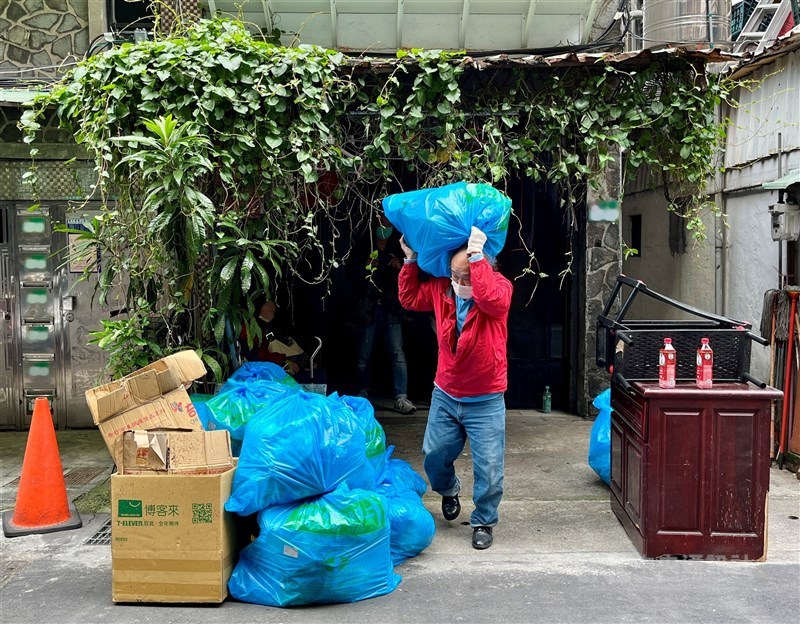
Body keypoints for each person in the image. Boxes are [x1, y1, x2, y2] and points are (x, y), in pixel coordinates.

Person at [398, 226, 511, 550]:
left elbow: (489, 298)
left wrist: (476, 258)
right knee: (434, 456)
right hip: (446, 392)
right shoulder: (441, 290)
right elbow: (409, 298)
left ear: (485, 268)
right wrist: (410, 261)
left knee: (489, 468)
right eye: (454, 275)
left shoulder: (500, 289)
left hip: (486, 397)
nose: (460, 283)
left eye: (467, 276)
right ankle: (448, 489)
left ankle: (484, 521)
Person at [352, 214, 417, 414]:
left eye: (388, 222)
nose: (384, 226)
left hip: (392, 309)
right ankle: (362, 394)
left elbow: (410, 276)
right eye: (380, 221)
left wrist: (399, 266)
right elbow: (352, 275)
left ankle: (401, 397)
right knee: (363, 355)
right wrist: (372, 264)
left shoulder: (399, 246)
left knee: (397, 353)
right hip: (369, 308)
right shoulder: (364, 245)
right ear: (373, 222)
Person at [239, 294, 310, 377]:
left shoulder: (276, 326)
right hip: (261, 372)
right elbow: (256, 357)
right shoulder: (249, 328)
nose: (272, 308)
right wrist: (283, 360)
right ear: (258, 307)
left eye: (273, 305)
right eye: (267, 305)